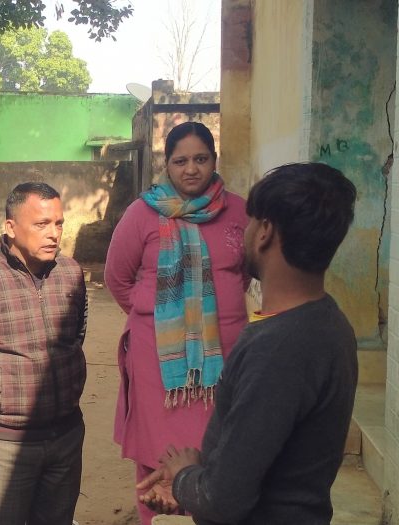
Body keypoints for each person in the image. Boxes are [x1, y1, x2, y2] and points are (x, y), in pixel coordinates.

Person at [137, 162, 358, 524]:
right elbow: (264, 454)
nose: (245, 231)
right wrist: (199, 479)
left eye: (250, 221)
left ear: (265, 232)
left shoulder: (278, 349)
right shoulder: (328, 322)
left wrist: (185, 477)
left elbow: (222, 502)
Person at [104, 121, 249, 525]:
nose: (191, 169)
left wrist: (210, 317)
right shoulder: (142, 213)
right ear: (166, 165)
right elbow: (117, 278)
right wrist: (160, 318)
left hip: (225, 355)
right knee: (159, 450)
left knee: (219, 448)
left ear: (214, 161)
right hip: (158, 362)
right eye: (180, 161)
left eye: (200, 159)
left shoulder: (239, 211)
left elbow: (244, 273)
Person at [0, 182, 88, 525]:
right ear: (10, 227)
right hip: (3, 444)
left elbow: (76, 336)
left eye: (59, 223)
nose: (54, 234)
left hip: (65, 437)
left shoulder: (71, 273)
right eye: (41, 224)